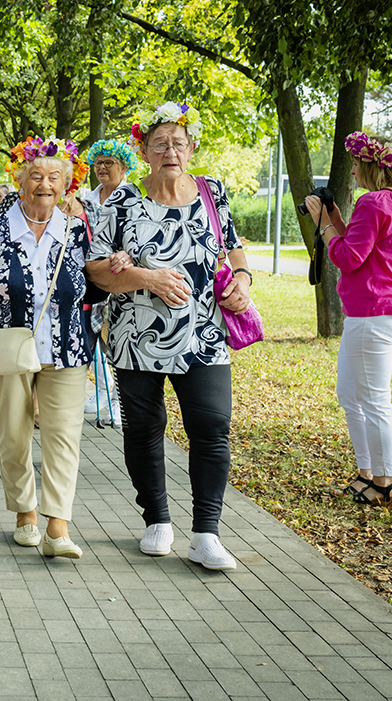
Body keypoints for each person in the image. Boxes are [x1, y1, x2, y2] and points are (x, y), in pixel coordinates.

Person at [85, 102, 253, 571]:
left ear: (191, 147)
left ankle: (207, 534)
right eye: (159, 144)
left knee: (212, 427)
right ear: (143, 151)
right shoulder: (121, 201)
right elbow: (96, 269)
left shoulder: (212, 192)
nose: (170, 152)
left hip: (205, 334)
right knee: (144, 428)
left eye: (178, 143)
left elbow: (234, 251)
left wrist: (243, 281)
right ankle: (156, 520)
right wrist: (148, 278)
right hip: (136, 334)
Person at [0, 136, 99, 558]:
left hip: (68, 348)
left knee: (64, 437)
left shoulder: (78, 231)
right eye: (36, 175)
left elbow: (96, 286)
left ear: (66, 183)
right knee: (13, 435)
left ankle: (57, 527)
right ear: (20, 180)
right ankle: (25, 513)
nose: (45, 184)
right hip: (8, 349)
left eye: (54, 177)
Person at [307, 131, 392, 510]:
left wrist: (322, 225)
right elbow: (363, 245)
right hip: (381, 309)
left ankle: (386, 484)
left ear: (369, 166)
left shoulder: (373, 202)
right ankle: (368, 473)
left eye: (355, 164)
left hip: (373, 310)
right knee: (350, 395)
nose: (352, 171)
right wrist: (336, 218)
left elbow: (348, 257)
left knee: (374, 400)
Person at [81, 139, 143, 426]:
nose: (102, 168)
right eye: (98, 163)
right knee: (95, 341)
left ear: (124, 166)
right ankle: (104, 392)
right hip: (93, 280)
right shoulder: (86, 200)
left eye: (109, 163)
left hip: (123, 279)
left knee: (118, 344)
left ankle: (118, 403)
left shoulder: (136, 199)